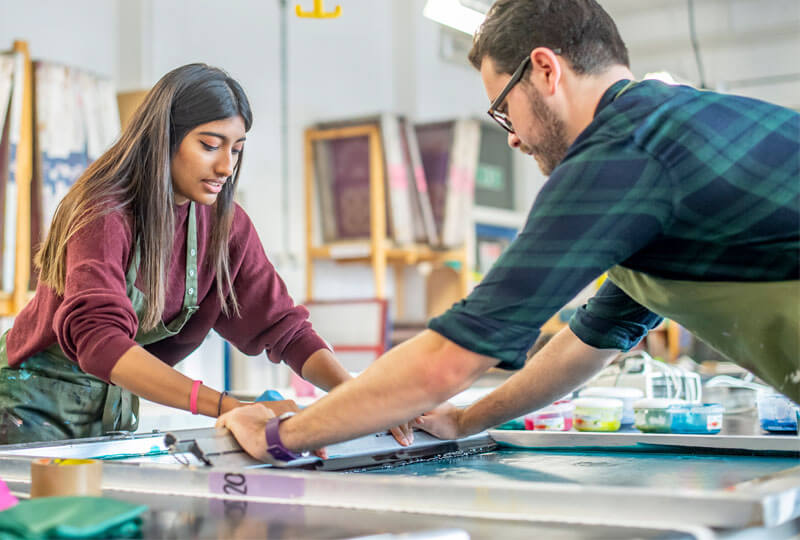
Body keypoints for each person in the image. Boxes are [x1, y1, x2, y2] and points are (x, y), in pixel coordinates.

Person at [218, 0, 799, 463]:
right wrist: (466, 420)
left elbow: (451, 357)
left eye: (503, 109)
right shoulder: (675, 134)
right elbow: (590, 339)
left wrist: (281, 436)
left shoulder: (622, 155)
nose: (513, 136)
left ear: (545, 69)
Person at [0, 63, 414, 446]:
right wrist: (227, 406)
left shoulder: (226, 226)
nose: (226, 166)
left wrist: (359, 399)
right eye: (210, 145)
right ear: (165, 138)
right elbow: (100, 342)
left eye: (236, 149)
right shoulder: (104, 213)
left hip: (116, 402)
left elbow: (284, 329)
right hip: (35, 406)